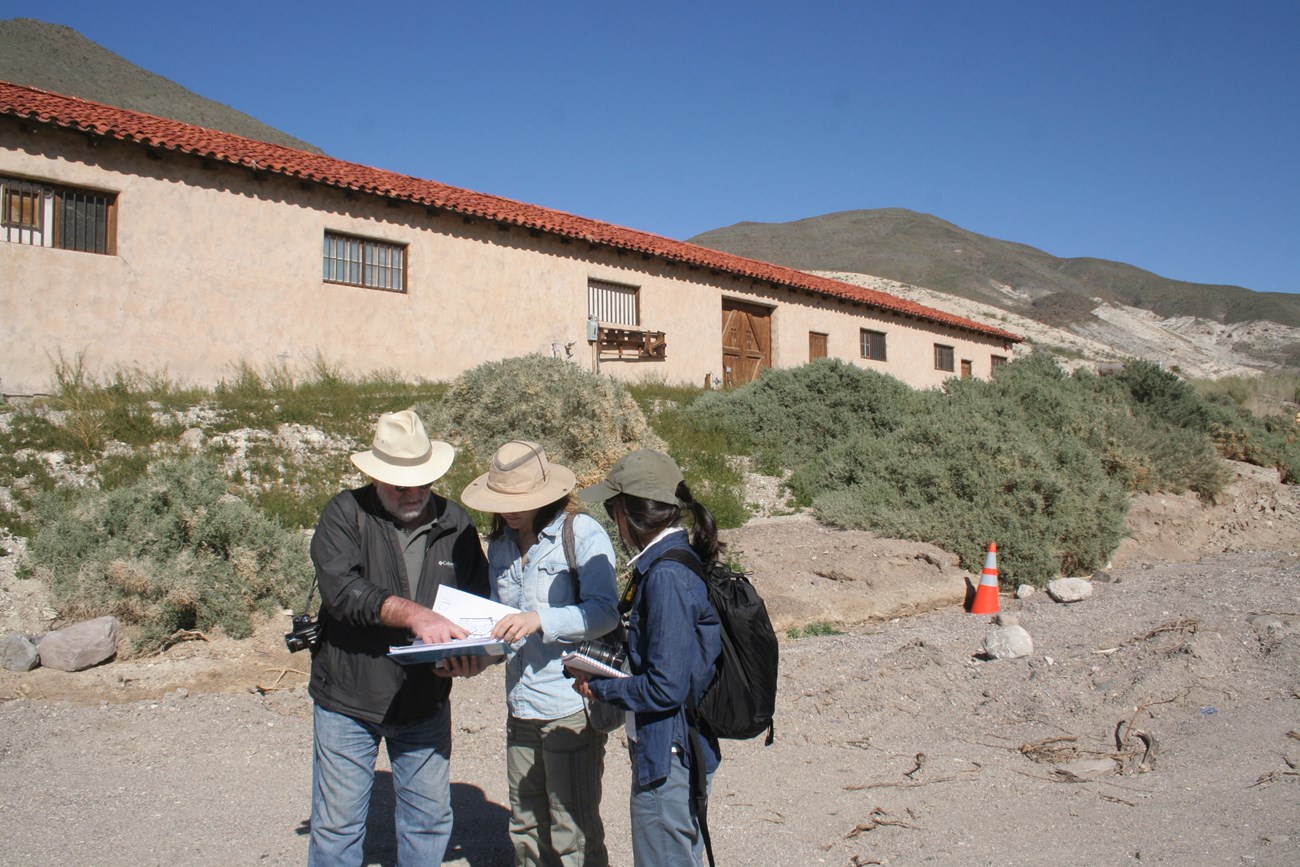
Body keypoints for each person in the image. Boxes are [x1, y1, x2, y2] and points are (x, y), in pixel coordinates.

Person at [307, 409, 490, 866]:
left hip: (425, 699)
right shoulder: (344, 513)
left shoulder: (456, 523)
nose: (413, 493)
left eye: (422, 482)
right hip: (349, 700)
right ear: (375, 477)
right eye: (399, 485)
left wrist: (472, 656)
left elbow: (478, 603)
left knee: (428, 821)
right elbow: (342, 591)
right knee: (338, 827)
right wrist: (415, 615)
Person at [460, 440, 620, 866]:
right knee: (526, 825)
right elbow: (501, 627)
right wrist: (476, 658)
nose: (510, 510)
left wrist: (540, 618)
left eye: (519, 500)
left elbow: (605, 612)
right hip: (521, 705)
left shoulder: (580, 532)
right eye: (502, 501)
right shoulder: (500, 547)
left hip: (569, 704)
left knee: (573, 832)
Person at [570, 450, 722, 867]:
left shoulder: (666, 576)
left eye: (611, 508)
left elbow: (664, 687)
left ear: (627, 512)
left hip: (667, 754)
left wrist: (599, 687)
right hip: (678, 747)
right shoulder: (668, 562)